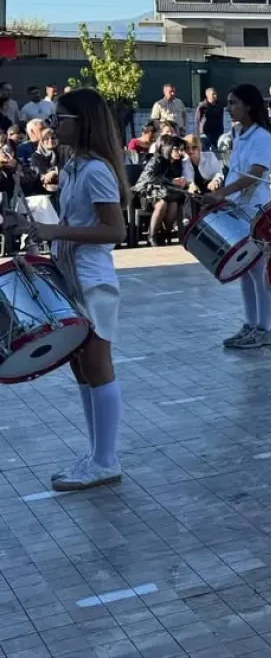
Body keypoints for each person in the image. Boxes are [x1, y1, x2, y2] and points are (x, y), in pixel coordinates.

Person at [19, 88, 129, 490]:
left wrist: (55, 230)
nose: (53, 125)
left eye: (60, 118)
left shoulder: (97, 169)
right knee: (80, 366)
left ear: (81, 122)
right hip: (71, 274)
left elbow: (115, 230)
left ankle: (106, 459)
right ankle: (98, 453)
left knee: (98, 366)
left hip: (92, 277)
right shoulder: (73, 166)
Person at [205, 85, 271, 349]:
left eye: (234, 103)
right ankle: (251, 324)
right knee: (244, 271)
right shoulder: (238, 133)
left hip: (255, 210)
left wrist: (224, 192)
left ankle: (266, 328)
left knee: (261, 272)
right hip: (237, 209)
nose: (228, 107)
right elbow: (234, 170)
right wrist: (220, 193)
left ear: (248, 105)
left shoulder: (262, 136)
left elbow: (255, 173)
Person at [132, 135, 187, 246]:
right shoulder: (156, 160)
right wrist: (171, 181)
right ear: (169, 148)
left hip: (167, 194)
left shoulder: (178, 163)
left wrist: (179, 182)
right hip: (148, 193)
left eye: (182, 149)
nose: (180, 152)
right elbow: (149, 177)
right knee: (161, 204)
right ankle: (152, 235)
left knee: (174, 205)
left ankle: (166, 233)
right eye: (177, 149)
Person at [195, 87, 224, 152]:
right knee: (208, 152)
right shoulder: (202, 106)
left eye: (216, 94)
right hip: (206, 134)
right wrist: (198, 136)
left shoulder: (219, 106)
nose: (215, 96)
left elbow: (221, 120)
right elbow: (197, 121)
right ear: (207, 95)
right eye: (213, 94)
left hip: (218, 133)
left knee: (218, 152)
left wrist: (222, 132)